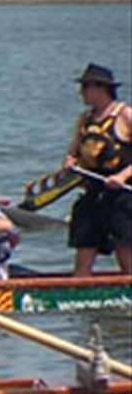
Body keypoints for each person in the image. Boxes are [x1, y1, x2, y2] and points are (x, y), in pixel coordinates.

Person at [61, 63, 132, 275]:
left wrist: (123, 175)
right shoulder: (85, 119)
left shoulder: (125, 115)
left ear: (100, 88)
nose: (81, 93)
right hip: (93, 192)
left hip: (122, 194)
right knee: (84, 244)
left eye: (85, 88)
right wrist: (70, 162)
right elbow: (73, 151)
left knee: (125, 250)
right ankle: (78, 291)